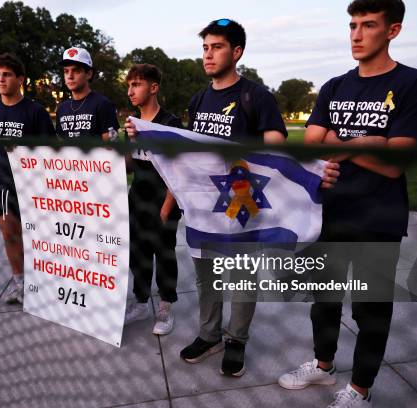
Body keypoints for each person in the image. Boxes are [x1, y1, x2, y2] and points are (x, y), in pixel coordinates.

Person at [127, 18, 338, 377]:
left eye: (217, 47)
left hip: (244, 200)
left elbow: (277, 152)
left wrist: (312, 170)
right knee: (206, 271)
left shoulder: (257, 97)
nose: (208, 54)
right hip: (205, 204)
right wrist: (145, 134)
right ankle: (209, 335)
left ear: (236, 51)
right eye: (205, 47)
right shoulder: (200, 98)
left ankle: (236, 339)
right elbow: (193, 154)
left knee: (240, 274)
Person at [277, 1, 417, 406]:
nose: (357, 34)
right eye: (352, 25)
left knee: (371, 311)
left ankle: (360, 390)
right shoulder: (335, 85)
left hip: (377, 219)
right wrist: (368, 142)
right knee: (323, 300)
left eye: (368, 25)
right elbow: (312, 142)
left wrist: (342, 147)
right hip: (328, 212)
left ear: (392, 30)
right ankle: (323, 364)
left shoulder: (413, 83)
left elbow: (394, 164)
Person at [0, 53, 56, 305]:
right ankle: (19, 282)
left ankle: (42, 281)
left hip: (30, 185)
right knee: (10, 235)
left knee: (36, 237)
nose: (1, 79)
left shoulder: (35, 111)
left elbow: (52, 151)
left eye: (7, 74)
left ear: (20, 79)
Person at [122, 64, 182, 335]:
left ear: (153, 87)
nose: (130, 91)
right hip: (138, 198)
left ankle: (166, 306)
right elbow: (128, 166)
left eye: (136, 85)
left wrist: (167, 207)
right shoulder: (131, 124)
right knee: (139, 253)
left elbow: (178, 170)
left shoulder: (170, 124)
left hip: (164, 199)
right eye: (129, 86)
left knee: (164, 254)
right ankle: (142, 301)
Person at [55, 47, 119, 141]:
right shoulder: (62, 108)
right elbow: (61, 146)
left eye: (76, 70)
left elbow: (113, 145)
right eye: (66, 71)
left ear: (89, 73)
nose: (70, 76)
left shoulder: (102, 104)